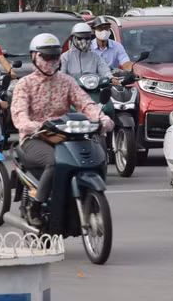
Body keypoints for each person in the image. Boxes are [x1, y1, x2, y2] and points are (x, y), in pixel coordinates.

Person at [11, 33, 113, 223]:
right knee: (54, 162)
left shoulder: (66, 81)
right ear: (34, 56)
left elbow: (86, 104)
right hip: (36, 138)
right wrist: (33, 125)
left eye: (55, 56)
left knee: (94, 156)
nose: (51, 61)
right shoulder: (24, 84)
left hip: (65, 135)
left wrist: (101, 118)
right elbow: (19, 116)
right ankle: (36, 207)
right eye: (46, 57)